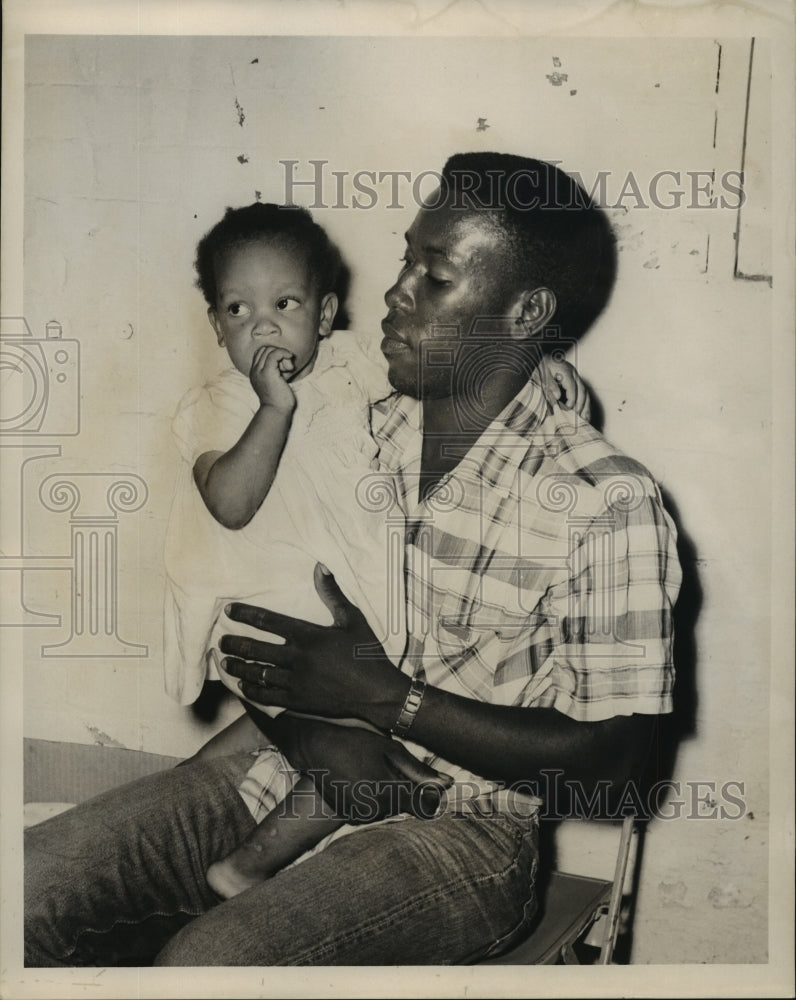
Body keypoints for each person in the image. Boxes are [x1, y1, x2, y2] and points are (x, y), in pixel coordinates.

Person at [24, 152, 681, 967]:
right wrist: (307, 731)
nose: (399, 289)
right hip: (279, 769)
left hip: (460, 834)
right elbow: (235, 599)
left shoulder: (604, 500)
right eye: (407, 257)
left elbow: (619, 768)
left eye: (434, 276)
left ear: (526, 311)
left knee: (208, 967)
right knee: (26, 889)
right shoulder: (333, 413)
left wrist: (390, 702)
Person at [164, 202, 587, 899]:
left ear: (325, 317)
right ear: (215, 325)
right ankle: (241, 868)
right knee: (348, 759)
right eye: (237, 309)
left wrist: (537, 366)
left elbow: (456, 365)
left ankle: (399, 789)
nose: (262, 325)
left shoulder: (348, 364)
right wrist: (273, 409)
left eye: (285, 303)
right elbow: (230, 501)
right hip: (259, 613)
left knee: (341, 728)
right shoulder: (215, 404)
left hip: (341, 603)